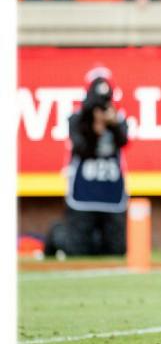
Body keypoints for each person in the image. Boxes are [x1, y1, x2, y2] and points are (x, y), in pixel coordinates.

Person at [52, 67, 131, 258]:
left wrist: (111, 125)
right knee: (78, 250)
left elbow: (124, 141)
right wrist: (94, 129)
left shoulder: (117, 120)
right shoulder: (78, 120)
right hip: (84, 195)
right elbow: (80, 148)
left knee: (116, 250)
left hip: (110, 193)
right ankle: (55, 236)